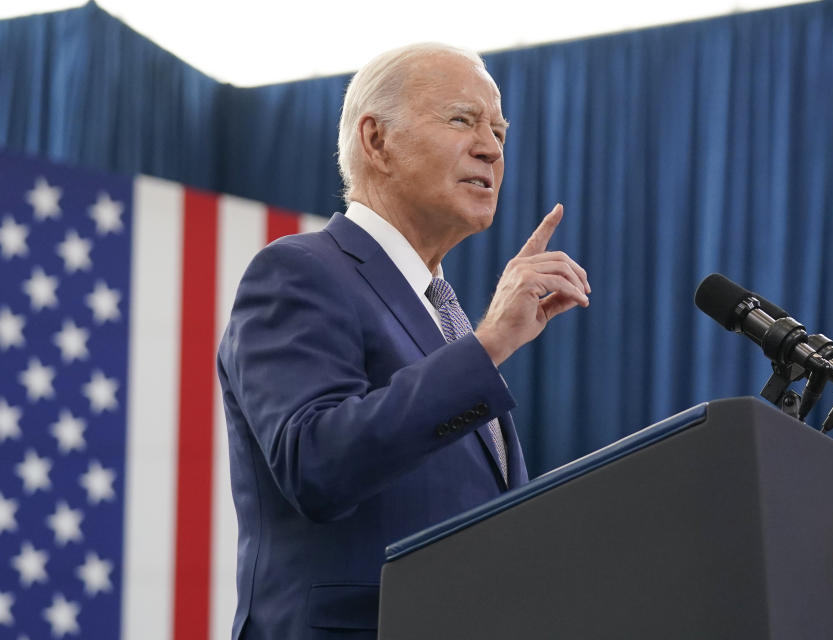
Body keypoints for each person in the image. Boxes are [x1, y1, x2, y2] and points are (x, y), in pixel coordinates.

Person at [217, 42, 590, 639]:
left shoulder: (443, 314)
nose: (492, 148)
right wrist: (490, 345)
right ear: (376, 141)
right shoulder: (300, 270)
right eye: (462, 120)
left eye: (498, 129)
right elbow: (315, 462)